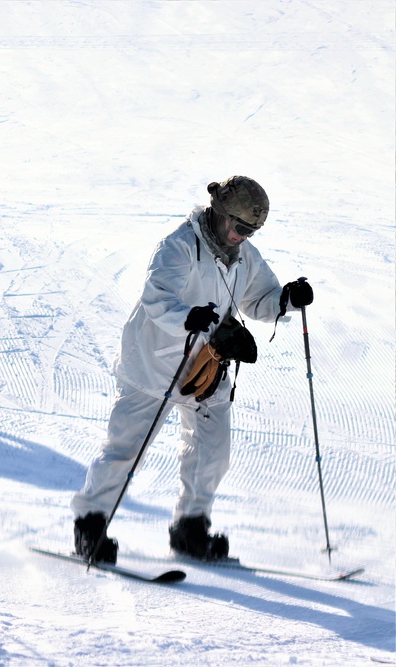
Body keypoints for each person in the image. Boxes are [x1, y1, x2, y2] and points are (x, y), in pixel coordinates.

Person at [70, 176, 314, 564]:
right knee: (126, 449)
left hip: (207, 366)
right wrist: (190, 318)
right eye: (240, 227)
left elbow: (259, 299)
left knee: (212, 450)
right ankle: (91, 524)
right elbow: (156, 297)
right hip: (154, 364)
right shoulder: (179, 245)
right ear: (221, 214)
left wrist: (285, 299)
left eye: (251, 231)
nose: (243, 236)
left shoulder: (243, 256)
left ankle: (191, 529)